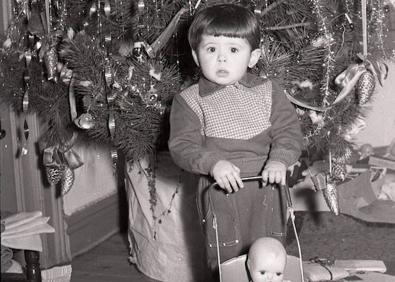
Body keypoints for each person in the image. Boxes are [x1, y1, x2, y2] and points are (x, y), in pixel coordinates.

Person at [168, 2, 303, 277]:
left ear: (253, 57)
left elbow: (289, 132)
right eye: (211, 49)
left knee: (271, 252)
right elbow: (182, 147)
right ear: (196, 56)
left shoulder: (269, 91)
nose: (221, 59)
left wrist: (280, 159)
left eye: (233, 49)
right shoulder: (189, 101)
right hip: (221, 190)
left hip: (268, 186)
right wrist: (212, 162)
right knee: (225, 255)